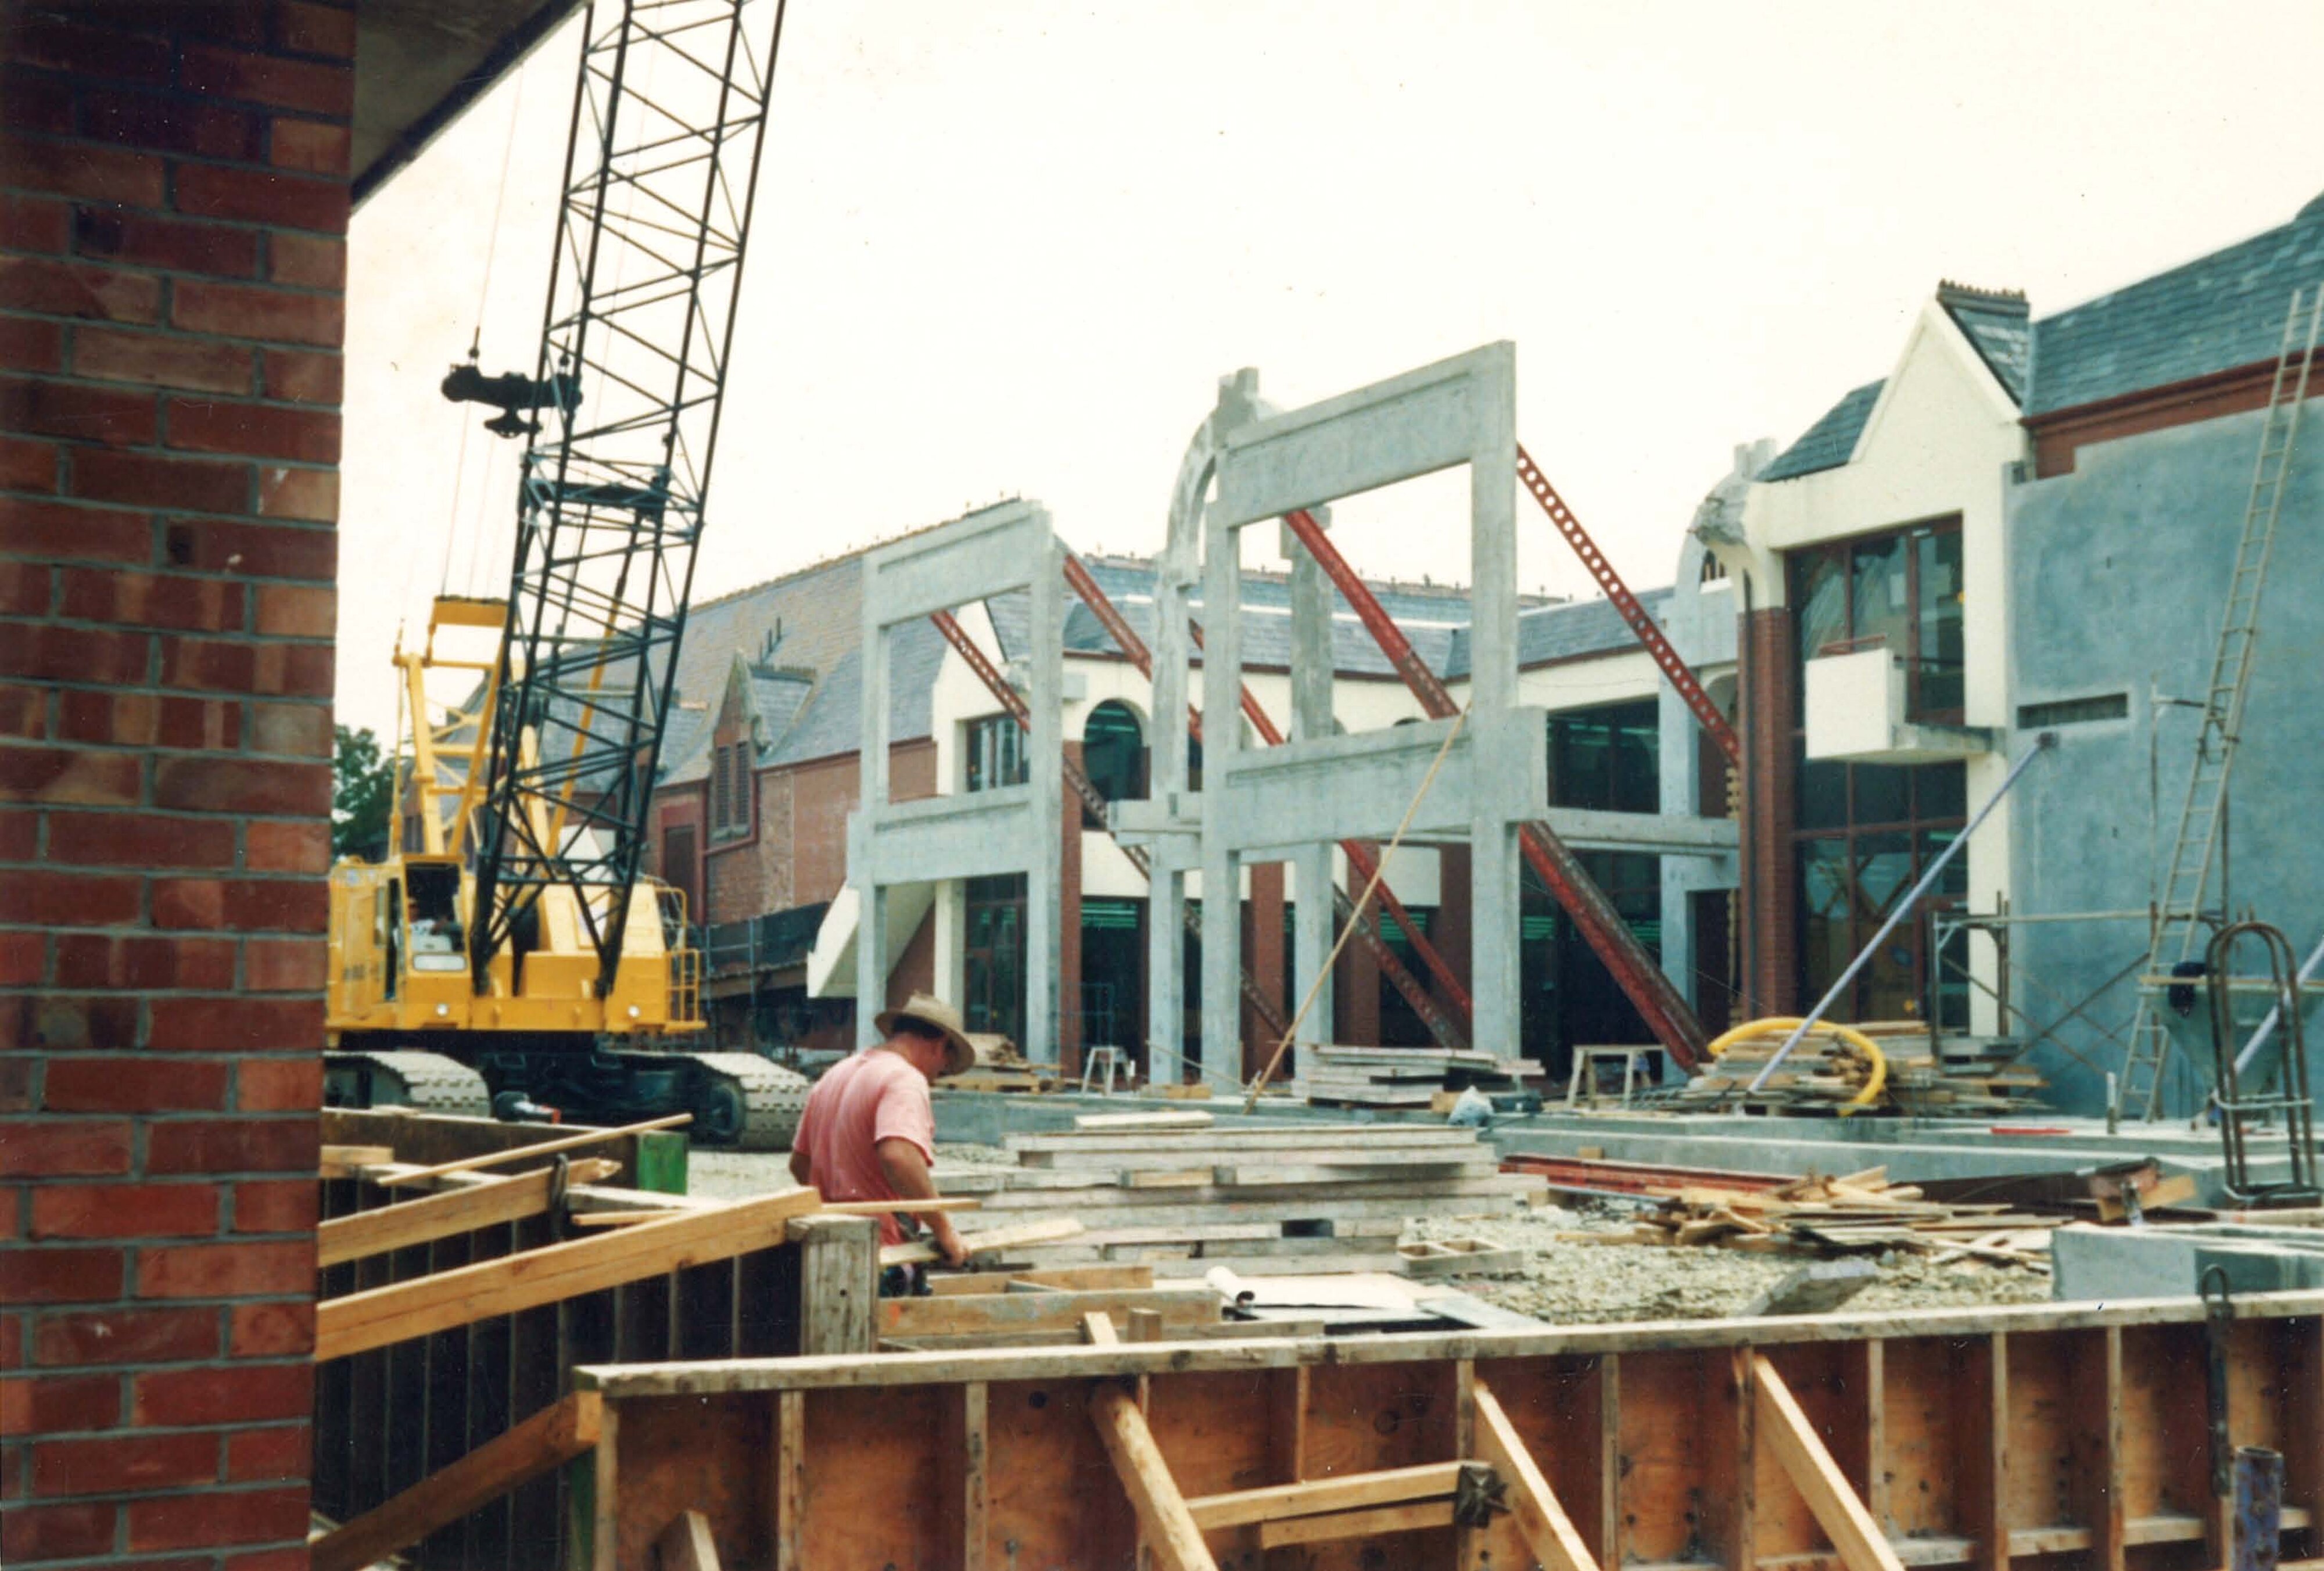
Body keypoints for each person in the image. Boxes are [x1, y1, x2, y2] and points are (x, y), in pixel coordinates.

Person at [789, 991, 978, 1294]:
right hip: (880, 1255)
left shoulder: (835, 1075)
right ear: (939, 1044)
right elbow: (899, 1157)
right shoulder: (904, 1079)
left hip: (825, 1249)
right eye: (943, 1066)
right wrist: (944, 1232)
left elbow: (800, 1165)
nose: (935, 1077)